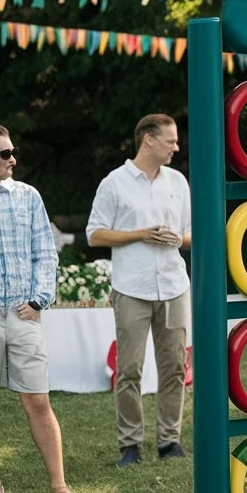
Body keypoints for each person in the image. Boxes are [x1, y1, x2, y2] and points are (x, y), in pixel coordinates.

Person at [86, 114, 191, 468]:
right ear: (148, 140)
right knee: (129, 369)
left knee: (175, 367)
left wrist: (178, 238)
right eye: (171, 141)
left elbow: (192, 232)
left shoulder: (178, 181)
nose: (177, 147)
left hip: (174, 285)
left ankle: (169, 442)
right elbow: (95, 234)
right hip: (132, 288)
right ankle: (130, 445)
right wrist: (140, 233)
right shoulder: (114, 183)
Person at [0, 124, 79, 493]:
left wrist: (40, 300)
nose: (13, 159)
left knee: (37, 401)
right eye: (4, 154)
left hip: (24, 313)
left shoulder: (27, 196)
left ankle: (60, 488)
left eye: (13, 152)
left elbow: (46, 251)